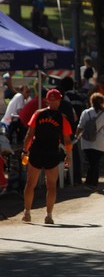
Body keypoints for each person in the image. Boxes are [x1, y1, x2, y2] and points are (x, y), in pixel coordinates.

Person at [21, 88, 72, 224]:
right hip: (52, 152)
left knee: (30, 184)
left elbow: (29, 135)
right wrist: (68, 156)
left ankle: (27, 212)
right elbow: (67, 140)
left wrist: (25, 151)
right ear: (59, 100)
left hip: (37, 150)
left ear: (47, 100)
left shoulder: (38, 114)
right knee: (51, 186)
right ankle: (48, 215)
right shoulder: (62, 118)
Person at [76, 92, 104, 190]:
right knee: (95, 162)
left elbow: (80, 126)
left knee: (90, 161)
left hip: (86, 141)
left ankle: (90, 182)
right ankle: (92, 183)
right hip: (99, 142)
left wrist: (76, 137)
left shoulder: (86, 112)